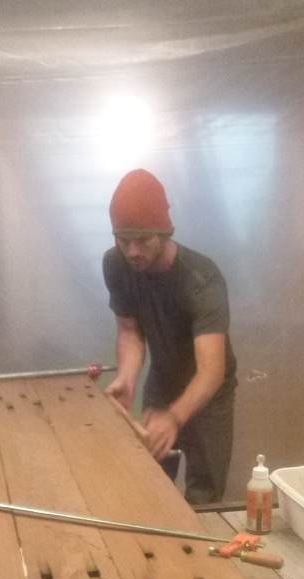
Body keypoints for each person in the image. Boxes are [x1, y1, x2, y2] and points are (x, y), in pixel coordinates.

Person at [102, 169, 237, 504]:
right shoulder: (116, 263)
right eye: (123, 239)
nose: (132, 251)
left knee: (203, 496)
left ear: (163, 233)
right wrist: (128, 379)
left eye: (142, 240)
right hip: (164, 381)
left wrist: (174, 417)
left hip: (209, 393)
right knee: (149, 484)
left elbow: (211, 371)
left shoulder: (200, 279)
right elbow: (130, 331)